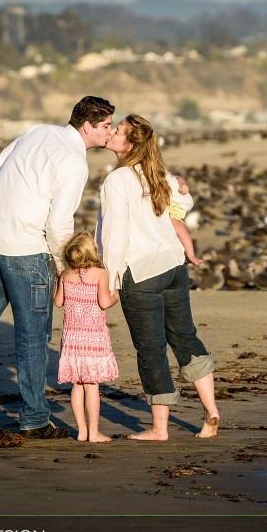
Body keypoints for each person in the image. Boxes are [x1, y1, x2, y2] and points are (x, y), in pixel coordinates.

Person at [0, 96, 115, 439]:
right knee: (32, 337)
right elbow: (60, 225)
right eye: (105, 126)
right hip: (26, 251)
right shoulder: (75, 161)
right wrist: (65, 268)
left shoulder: (37, 131)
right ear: (87, 125)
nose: (110, 132)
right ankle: (33, 419)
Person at [96, 114, 220, 441]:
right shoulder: (156, 171)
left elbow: (113, 236)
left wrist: (109, 283)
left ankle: (159, 428)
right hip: (174, 266)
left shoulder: (117, 180)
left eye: (117, 131)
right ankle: (211, 411)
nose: (110, 133)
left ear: (130, 143)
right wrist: (182, 185)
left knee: (151, 350)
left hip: (141, 274)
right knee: (185, 337)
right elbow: (184, 202)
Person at [54, 231, 120, 442]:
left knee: (77, 384)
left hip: (72, 338)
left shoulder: (65, 274)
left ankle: (81, 431)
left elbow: (58, 302)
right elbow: (104, 303)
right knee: (92, 385)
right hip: (93, 338)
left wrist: (58, 281)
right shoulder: (100, 273)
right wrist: (117, 292)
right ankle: (94, 433)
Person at [168, 174, 203, 266]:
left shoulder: (161, 173)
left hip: (174, 205)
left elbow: (177, 177)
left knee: (178, 227)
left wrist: (183, 184)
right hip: (166, 204)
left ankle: (191, 255)